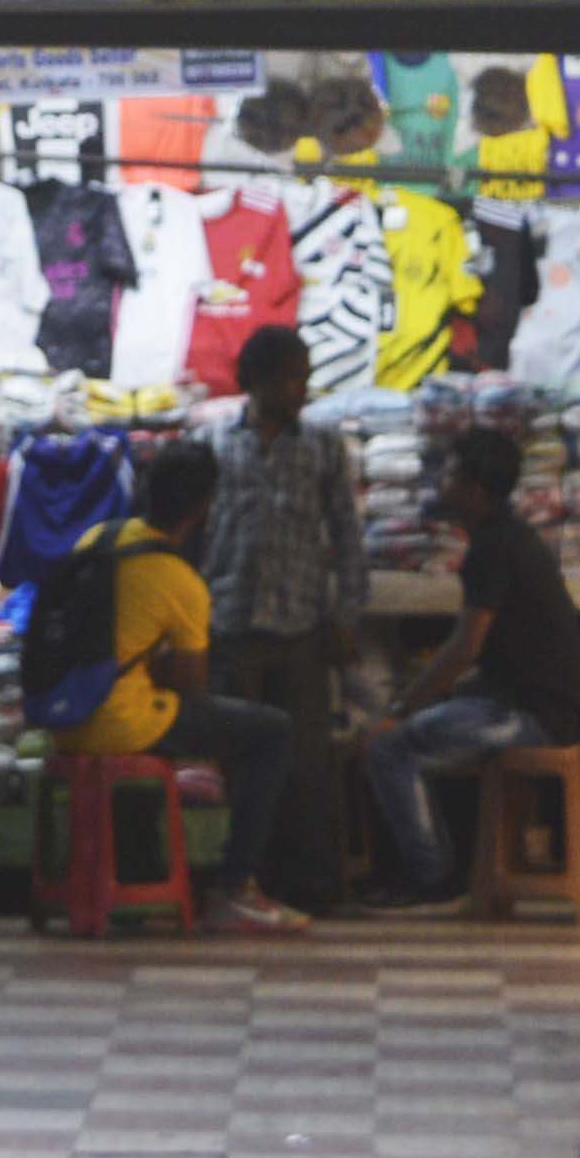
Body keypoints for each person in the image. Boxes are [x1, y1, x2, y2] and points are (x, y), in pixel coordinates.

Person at [35, 437, 308, 934]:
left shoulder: (97, 538)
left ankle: (139, 873)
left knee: (161, 712)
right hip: (120, 725)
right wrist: (156, 666)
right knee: (271, 731)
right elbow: (193, 686)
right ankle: (235, 885)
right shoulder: (179, 581)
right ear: (204, 507)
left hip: (64, 720)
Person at [353, 428, 580, 904]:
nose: (442, 486)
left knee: (389, 748)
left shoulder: (492, 549)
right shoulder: (513, 538)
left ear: (473, 489)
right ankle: (447, 865)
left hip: (528, 716)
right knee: (432, 723)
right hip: (538, 705)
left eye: (450, 476)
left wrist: (402, 709)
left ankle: (431, 876)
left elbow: (464, 647)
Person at [199, 322, 373, 908]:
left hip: (301, 627)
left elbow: (348, 537)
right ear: (257, 381)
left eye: (305, 376)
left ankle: (311, 886)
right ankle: (240, 879)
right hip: (230, 622)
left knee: (306, 762)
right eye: (290, 376)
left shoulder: (322, 445)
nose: (301, 387)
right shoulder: (216, 441)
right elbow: (197, 531)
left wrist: (347, 615)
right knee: (235, 759)